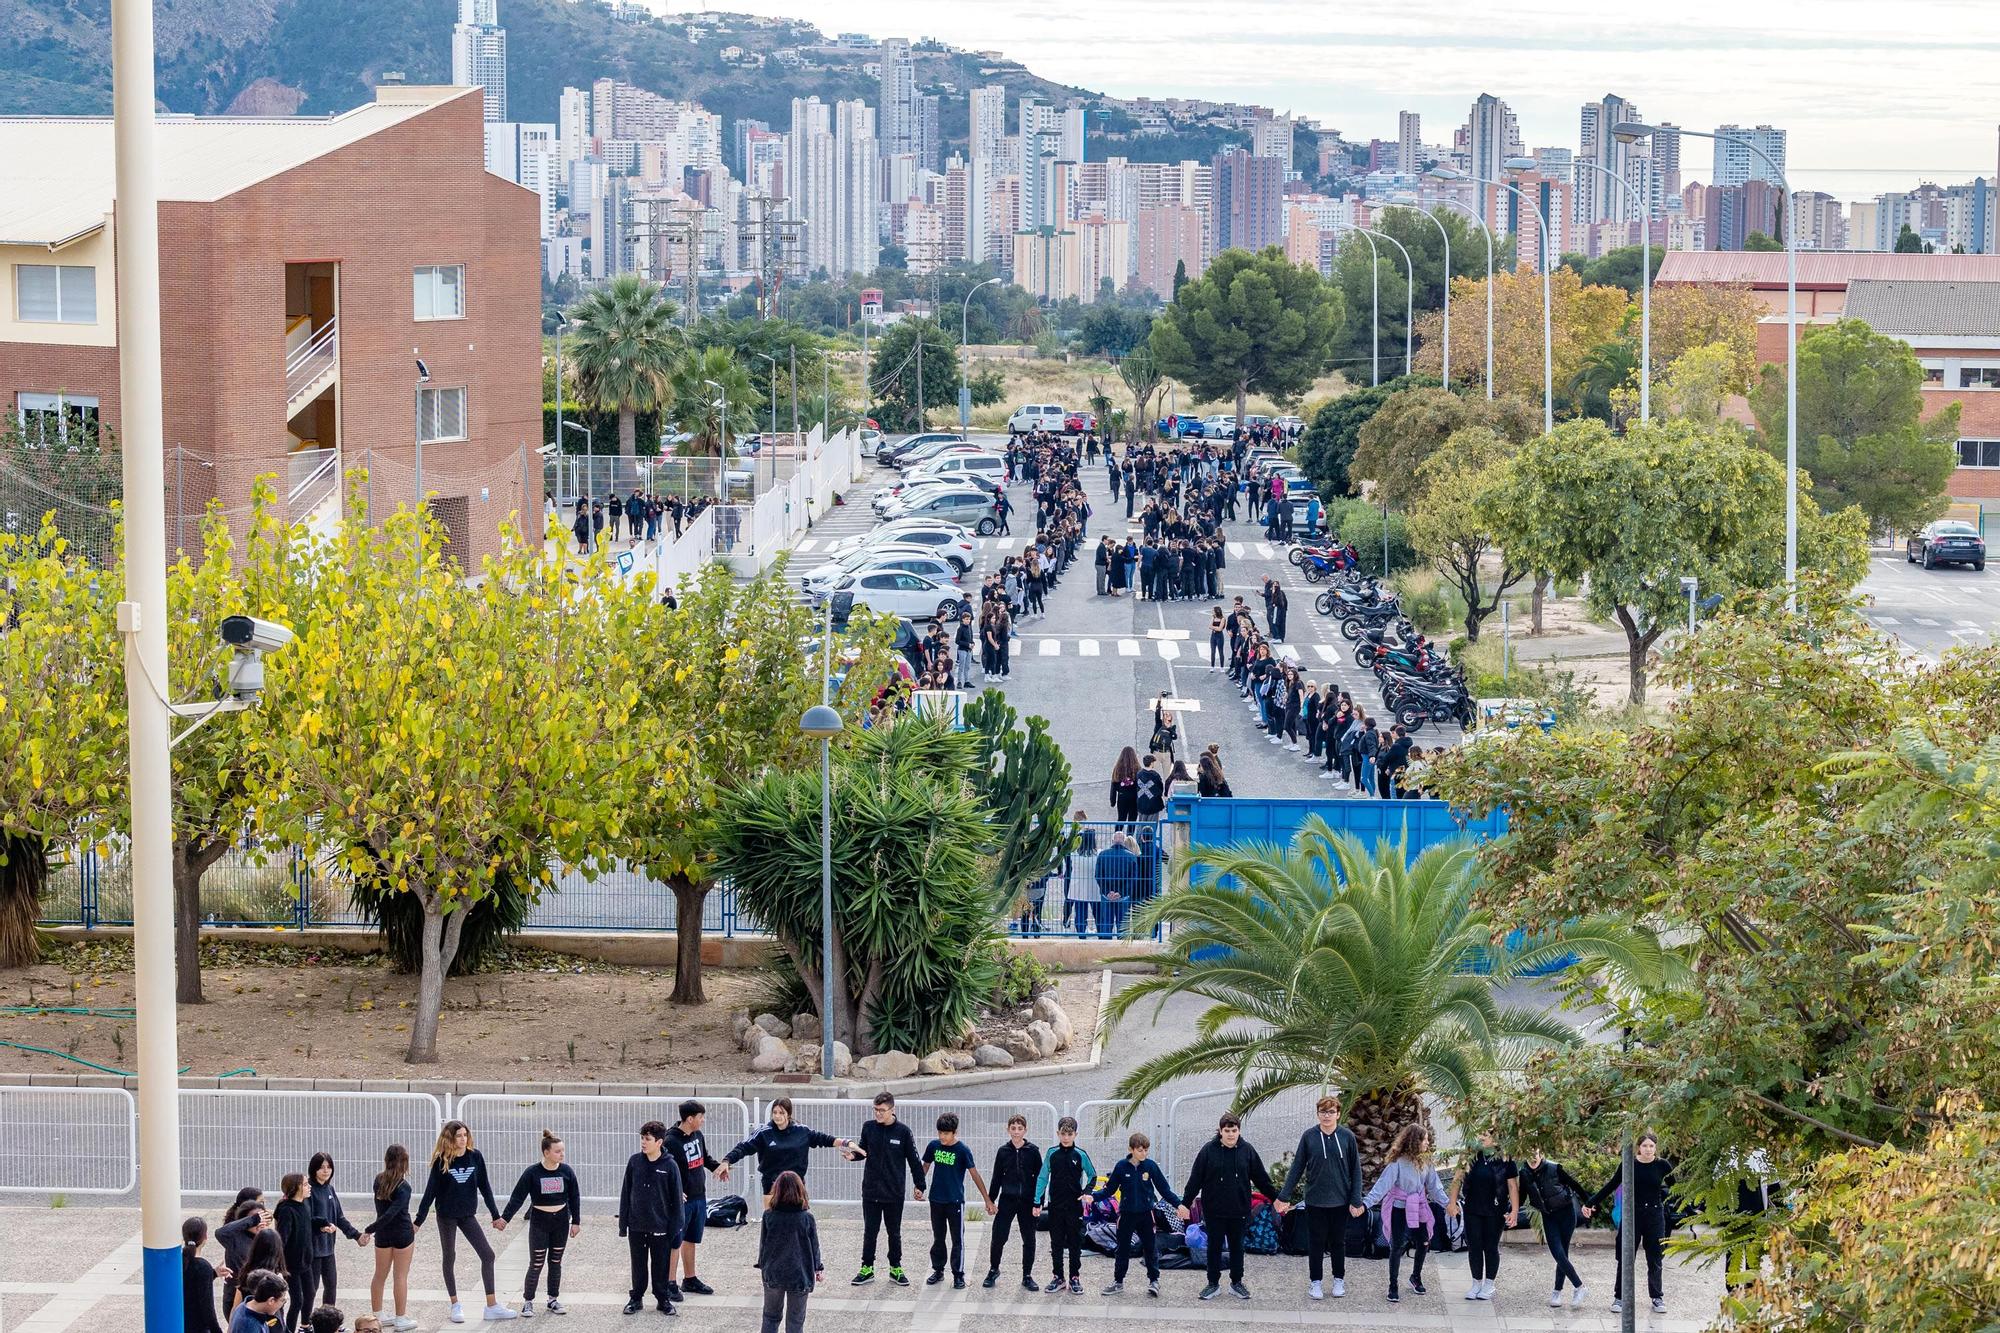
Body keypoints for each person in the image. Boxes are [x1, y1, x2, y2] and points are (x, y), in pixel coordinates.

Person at [413, 1119, 514, 1323]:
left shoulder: (475, 1157)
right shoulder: (442, 1161)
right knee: (449, 1256)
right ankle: (455, 1304)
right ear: (450, 1138)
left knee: (487, 1254)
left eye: (465, 1135)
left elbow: (485, 1186)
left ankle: (492, 1305)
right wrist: (418, 1221)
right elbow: (429, 1193)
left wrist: (496, 1215)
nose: (463, 1138)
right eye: (458, 1135)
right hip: (446, 1216)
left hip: (468, 1215)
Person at [1177, 1113, 1275, 1302]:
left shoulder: (1247, 1151)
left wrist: (1277, 1199)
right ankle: (1212, 1283)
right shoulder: (1208, 1151)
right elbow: (1195, 1179)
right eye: (1227, 1131)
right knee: (1213, 1247)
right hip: (1214, 1210)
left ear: (1239, 1131)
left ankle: (1236, 1283)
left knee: (1237, 1247)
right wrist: (1185, 1203)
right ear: (1220, 1131)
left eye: (1234, 1130)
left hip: (1239, 1210)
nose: (1231, 1134)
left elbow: (1262, 1179)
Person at [1275, 1096, 1364, 1301]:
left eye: (1331, 1112)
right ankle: (1315, 1282)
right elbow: (1297, 1167)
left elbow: (1356, 1171)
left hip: (1340, 1201)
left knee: (1338, 1243)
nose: (1327, 1115)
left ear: (1338, 1114)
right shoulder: (1309, 1137)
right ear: (1318, 1114)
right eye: (1323, 1112)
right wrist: (1284, 1195)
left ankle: (1338, 1279)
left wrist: (1356, 1199)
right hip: (1315, 1201)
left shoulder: (1347, 1137)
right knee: (1315, 1243)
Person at [1586, 1131, 1675, 1315]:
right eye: (1645, 1146)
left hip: (1655, 1216)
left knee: (1655, 1258)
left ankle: (1657, 1297)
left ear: (1655, 1147)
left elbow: (1676, 1187)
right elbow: (1611, 1185)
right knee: (1626, 1257)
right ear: (1638, 1147)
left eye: (1651, 1146)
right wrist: (1590, 1202)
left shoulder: (1663, 1165)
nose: (1648, 1149)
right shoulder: (1629, 1165)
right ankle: (1620, 1297)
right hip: (1632, 1215)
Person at [1361, 1124, 1449, 1304]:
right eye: (1424, 1139)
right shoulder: (1398, 1162)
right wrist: (1365, 1204)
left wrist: (1448, 1204)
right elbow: (1382, 1186)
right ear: (1414, 1141)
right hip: (1399, 1208)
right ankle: (1393, 1286)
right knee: (1397, 1246)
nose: (1427, 1143)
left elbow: (1435, 1186)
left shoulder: (1427, 1161)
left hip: (1419, 1207)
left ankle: (1415, 1277)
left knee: (1424, 1242)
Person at [499, 1129, 582, 1317]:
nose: (562, 1154)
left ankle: (553, 1299)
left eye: (562, 1151)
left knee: (555, 1261)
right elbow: (517, 1198)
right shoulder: (532, 1173)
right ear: (546, 1153)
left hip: (560, 1221)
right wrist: (505, 1218)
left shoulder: (566, 1171)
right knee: (536, 1263)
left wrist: (576, 1221)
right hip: (539, 1223)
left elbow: (575, 1196)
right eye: (557, 1151)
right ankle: (528, 1301)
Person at [850, 1091, 926, 1287]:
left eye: (882, 1110)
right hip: (871, 1191)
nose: (878, 1114)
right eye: (875, 1110)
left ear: (892, 1110)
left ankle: (896, 1268)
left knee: (894, 1232)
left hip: (894, 1193)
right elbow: (863, 1150)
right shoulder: (868, 1127)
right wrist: (853, 1156)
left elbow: (914, 1161)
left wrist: (920, 1185)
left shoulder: (903, 1132)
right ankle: (867, 1268)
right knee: (870, 1231)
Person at [1094, 1132, 1180, 1298]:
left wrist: (1179, 1204)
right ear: (1131, 1149)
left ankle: (1154, 1280)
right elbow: (1110, 1189)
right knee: (1123, 1249)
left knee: (1150, 1247)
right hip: (1126, 1215)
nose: (1144, 1154)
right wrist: (1093, 1197)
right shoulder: (1121, 1167)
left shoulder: (1150, 1166)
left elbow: (1164, 1189)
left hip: (1146, 1214)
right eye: (1140, 1150)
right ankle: (1118, 1281)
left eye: (1146, 1150)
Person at [726, 1099, 858, 1202]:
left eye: (781, 1112)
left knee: (799, 1221)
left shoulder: (802, 1131)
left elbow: (824, 1139)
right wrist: (727, 1161)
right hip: (771, 1184)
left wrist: (847, 1142)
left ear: (788, 1114)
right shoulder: (763, 1133)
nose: (777, 1116)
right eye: (775, 1112)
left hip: (796, 1184)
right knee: (771, 1222)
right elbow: (743, 1147)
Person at [662, 1101, 731, 1300]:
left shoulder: (698, 1135)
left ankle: (690, 1279)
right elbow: (665, 1170)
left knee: (691, 1239)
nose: (703, 1120)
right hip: (681, 1200)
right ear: (690, 1118)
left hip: (699, 1196)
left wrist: (718, 1167)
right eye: (700, 1117)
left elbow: (704, 1158)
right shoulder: (670, 1141)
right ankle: (669, 1282)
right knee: (675, 1241)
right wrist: (673, 1192)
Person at [619, 1120, 686, 1317]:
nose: (643, 1142)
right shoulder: (634, 1162)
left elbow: (677, 1200)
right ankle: (636, 1298)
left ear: (659, 1142)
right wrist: (624, 1224)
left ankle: (662, 1299)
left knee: (660, 1265)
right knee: (638, 1264)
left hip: (661, 1226)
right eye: (642, 1138)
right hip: (637, 1225)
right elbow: (626, 1192)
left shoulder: (670, 1166)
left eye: (647, 1139)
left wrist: (675, 1228)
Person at [921, 1113, 994, 1288]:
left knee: (957, 1240)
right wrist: (919, 1186)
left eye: (946, 1133)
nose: (942, 1137)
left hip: (955, 1201)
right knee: (938, 1237)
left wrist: (987, 1200)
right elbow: (924, 1166)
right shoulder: (934, 1146)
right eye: (940, 1133)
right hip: (936, 1199)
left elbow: (974, 1174)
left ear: (955, 1132)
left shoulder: (962, 1150)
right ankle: (938, 1270)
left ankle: (958, 1274)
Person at [1446, 1128, 1519, 1302]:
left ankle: (1489, 1284)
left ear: (1495, 1139)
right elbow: (1457, 1179)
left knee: (1490, 1247)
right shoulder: (1470, 1155)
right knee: (1474, 1246)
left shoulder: (1505, 1158)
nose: (1480, 1138)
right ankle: (1476, 1282)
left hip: (1495, 1210)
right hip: (1472, 1208)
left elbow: (1512, 1186)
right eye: (1479, 1135)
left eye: (1485, 1136)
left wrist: (1514, 1211)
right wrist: (1452, 1202)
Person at [1519, 1146, 1590, 1308]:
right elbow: (1522, 1196)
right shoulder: (1524, 1174)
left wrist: (1589, 1202)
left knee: (1562, 1253)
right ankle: (1580, 1287)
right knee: (1558, 1253)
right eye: (1529, 1154)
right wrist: (1510, 1210)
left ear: (1541, 1154)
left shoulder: (1554, 1168)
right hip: (1548, 1216)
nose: (1532, 1158)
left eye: (1535, 1153)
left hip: (1566, 1214)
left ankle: (1557, 1292)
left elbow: (1575, 1185)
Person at [1032, 1117, 1095, 1295]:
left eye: (1070, 1134)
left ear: (1075, 1134)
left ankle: (1075, 1277)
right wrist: (1037, 1200)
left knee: (1075, 1242)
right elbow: (1043, 1177)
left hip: (1074, 1206)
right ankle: (1058, 1277)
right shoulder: (1052, 1153)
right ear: (1058, 1134)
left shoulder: (1080, 1154)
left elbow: (1092, 1175)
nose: (1066, 1138)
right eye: (1063, 1134)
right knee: (1056, 1242)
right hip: (1056, 1205)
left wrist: (1087, 1191)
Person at [756, 1171, 823, 1333]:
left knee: (770, 1316)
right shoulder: (807, 1218)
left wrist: (763, 1266)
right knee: (795, 1321)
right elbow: (814, 1246)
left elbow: (763, 1244)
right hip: (799, 1274)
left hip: (774, 1272)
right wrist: (818, 1268)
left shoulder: (769, 1216)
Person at [984, 1114, 1042, 1290]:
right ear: (1008, 1129)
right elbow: (996, 1178)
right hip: (1007, 1200)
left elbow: (1040, 1179)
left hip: (1027, 1201)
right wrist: (990, 1200)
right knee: (998, 1237)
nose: (1016, 1132)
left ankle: (1027, 1275)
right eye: (1013, 1128)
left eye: (1020, 1128)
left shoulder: (1033, 1151)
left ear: (1025, 1130)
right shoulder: (1003, 1151)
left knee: (1029, 1239)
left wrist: (1038, 1202)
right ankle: (994, 1269)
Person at [306, 1154, 367, 1318]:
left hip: (328, 1248)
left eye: (329, 1167)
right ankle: (306, 1322)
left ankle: (329, 1321)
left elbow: (339, 1217)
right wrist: (322, 1226)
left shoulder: (329, 1188)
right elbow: (306, 1218)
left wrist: (356, 1235)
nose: (326, 1171)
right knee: (311, 1289)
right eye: (321, 1167)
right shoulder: (308, 1190)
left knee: (331, 1286)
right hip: (313, 1248)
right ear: (314, 1169)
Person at [364, 1146, 417, 1331]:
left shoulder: (379, 1180)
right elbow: (393, 1213)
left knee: (379, 1275)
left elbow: (383, 1214)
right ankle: (400, 1318)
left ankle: (377, 1315)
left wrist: (372, 1229)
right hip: (402, 1233)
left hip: (383, 1234)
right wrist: (369, 1229)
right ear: (404, 1162)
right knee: (400, 1276)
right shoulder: (404, 1186)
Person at [185, 1216, 228, 1333]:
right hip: (197, 1325)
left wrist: (212, 1274)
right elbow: (207, 1307)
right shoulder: (203, 1266)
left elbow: (188, 1283)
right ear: (205, 1237)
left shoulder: (180, 1260)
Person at [1092, 833, 1138, 938]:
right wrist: (1120, 893)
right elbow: (1133, 878)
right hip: (1123, 896)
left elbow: (1098, 875)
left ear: (1112, 841)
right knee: (1122, 925)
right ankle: (1121, 950)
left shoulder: (1103, 855)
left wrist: (1107, 891)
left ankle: (1106, 947)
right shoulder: (1131, 856)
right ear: (1124, 842)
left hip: (1107, 896)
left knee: (1106, 924)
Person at [1108, 746, 1140, 827]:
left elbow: (1114, 784)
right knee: (1132, 820)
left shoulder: (1118, 768)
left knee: (1121, 819)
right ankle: (1130, 837)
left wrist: (1113, 801)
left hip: (1122, 797)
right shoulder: (1137, 768)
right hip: (1134, 798)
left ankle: (1117, 836)